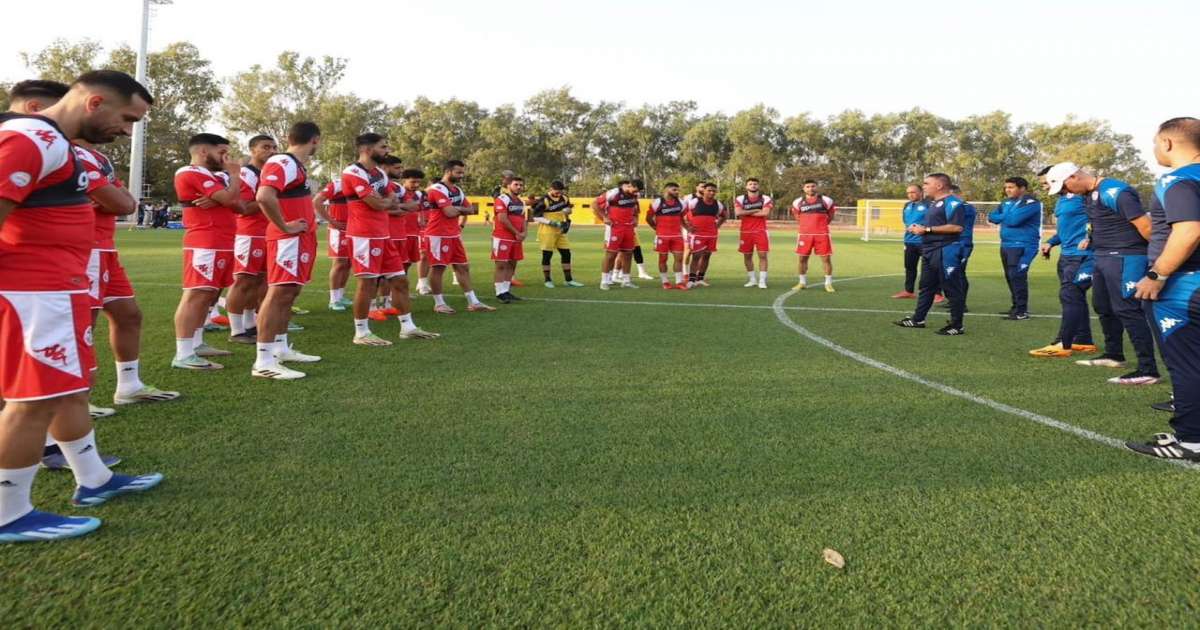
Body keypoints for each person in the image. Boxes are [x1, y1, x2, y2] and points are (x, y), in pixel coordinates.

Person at [0, 70, 164, 544]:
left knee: (68, 389)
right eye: (127, 118)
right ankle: (9, 512)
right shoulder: (30, 138)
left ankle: (93, 479)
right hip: (34, 293)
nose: (127, 131)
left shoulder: (55, 143)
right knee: (32, 401)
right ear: (94, 103)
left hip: (59, 288)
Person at [1045, 162, 1160, 385]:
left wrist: (1159, 265)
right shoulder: (1090, 196)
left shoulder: (1114, 191)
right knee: (1103, 306)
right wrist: (1091, 239)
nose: (1066, 193)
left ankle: (1148, 369)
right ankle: (1114, 354)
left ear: (1073, 177)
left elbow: (1146, 227)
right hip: (1102, 256)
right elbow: (1104, 222)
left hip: (1127, 257)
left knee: (1128, 310)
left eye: (1064, 188)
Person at [1127, 117, 1200, 459]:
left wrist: (1157, 275)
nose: (1154, 149)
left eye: (1155, 143)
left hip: (1184, 287)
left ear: (1168, 143)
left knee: (1186, 364)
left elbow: (1188, 232)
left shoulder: (1178, 180)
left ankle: (1191, 440)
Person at [251, 121, 324, 380]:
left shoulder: (295, 165)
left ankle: (280, 348)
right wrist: (284, 226)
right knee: (280, 292)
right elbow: (264, 196)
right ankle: (263, 361)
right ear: (315, 140)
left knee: (290, 292)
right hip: (287, 240)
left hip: (299, 239)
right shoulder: (283, 162)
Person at [171, 133, 242, 370]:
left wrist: (224, 196)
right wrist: (233, 179)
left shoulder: (216, 177)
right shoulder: (189, 172)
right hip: (205, 242)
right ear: (203, 151)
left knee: (210, 295)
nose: (226, 158)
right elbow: (232, 199)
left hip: (223, 241)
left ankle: (197, 343)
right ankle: (182, 354)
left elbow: (238, 203)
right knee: (197, 294)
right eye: (222, 152)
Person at [342, 133, 405, 346]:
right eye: (383, 147)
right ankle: (361, 332)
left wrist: (383, 201)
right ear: (367, 149)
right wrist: (383, 202)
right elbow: (377, 204)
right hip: (363, 236)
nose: (387, 150)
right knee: (367, 284)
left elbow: (393, 199)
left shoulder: (379, 173)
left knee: (400, 279)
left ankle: (408, 327)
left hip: (383, 234)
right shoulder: (353, 172)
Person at [1030, 167, 1098, 358]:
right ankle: (1083, 340)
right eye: (1043, 183)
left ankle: (1063, 342)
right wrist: (1051, 243)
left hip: (1082, 255)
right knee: (1075, 297)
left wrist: (1091, 239)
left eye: (1047, 182)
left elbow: (1100, 221)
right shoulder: (1062, 200)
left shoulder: (1084, 197)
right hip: (1066, 255)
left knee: (1070, 296)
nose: (1045, 187)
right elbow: (1065, 230)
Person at [894, 173, 967, 335]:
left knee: (951, 288)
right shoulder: (935, 203)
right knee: (926, 287)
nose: (924, 186)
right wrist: (919, 228)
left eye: (927, 183)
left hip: (945, 250)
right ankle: (918, 319)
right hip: (930, 249)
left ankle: (957, 325)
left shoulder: (954, 203)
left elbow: (957, 227)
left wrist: (927, 229)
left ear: (939, 185)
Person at [425, 160, 495, 314]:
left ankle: (473, 302)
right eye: (458, 172)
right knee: (438, 268)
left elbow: (471, 210)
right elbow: (449, 213)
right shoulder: (436, 189)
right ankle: (439, 303)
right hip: (437, 235)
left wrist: (455, 208)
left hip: (453, 234)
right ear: (448, 171)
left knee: (462, 267)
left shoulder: (457, 190)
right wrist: (458, 209)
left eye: (462, 172)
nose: (461, 175)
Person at [226, 135, 275, 344]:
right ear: (253, 150)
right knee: (244, 280)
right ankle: (236, 330)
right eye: (265, 147)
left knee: (261, 280)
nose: (271, 151)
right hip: (249, 232)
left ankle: (250, 323)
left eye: (274, 147)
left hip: (267, 231)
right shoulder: (247, 173)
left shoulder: (268, 173)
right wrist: (269, 197)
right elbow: (244, 207)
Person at [381, 164, 438, 339]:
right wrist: (404, 209)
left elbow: (418, 209)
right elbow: (389, 208)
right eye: (412, 182)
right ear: (405, 180)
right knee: (384, 270)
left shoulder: (419, 195)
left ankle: (394, 295)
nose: (415, 185)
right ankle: (382, 301)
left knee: (404, 266)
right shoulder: (393, 189)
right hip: (394, 233)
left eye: (418, 182)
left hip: (411, 234)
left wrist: (419, 218)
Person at [988, 177, 1043, 319]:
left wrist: (1003, 216)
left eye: (1011, 187)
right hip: (1006, 244)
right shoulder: (1006, 202)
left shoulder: (1031, 202)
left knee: (1017, 276)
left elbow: (1014, 221)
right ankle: (1016, 306)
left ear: (1022, 188)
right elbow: (991, 217)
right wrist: (1006, 215)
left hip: (1023, 245)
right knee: (1010, 276)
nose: (1007, 190)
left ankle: (1022, 311)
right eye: (1006, 187)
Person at [530, 181, 582, 288]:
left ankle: (568, 280)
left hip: (560, 229)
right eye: (556, 192)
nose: (558, 194)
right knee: (547, 255)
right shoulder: (544, 200)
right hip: (547, 230)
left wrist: (568, 220)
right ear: (551, 189)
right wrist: (553, 223)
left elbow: (567, 211)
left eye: (560, 192)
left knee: (566, 253)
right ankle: (547, 280)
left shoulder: (565, 198)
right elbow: (535, 217)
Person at [313, 174, 352, 311]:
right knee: (339, 262)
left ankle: (341, 296)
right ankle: (333, 300)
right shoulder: (337, 184)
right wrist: (332, 221)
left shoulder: (364, 184)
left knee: (348, 263)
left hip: (354, 229)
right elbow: (317, 201)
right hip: (338, 230)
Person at [791, 180, 837, 292]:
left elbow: (830, 216)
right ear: (803, 188)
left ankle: (828, 283)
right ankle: (802, 282)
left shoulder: (826, 200)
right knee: (802, 259)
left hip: (822, 234)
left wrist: (820, 226)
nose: (810, 188)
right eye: (808, 186)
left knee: (826, 259)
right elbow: (797, 217)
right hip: (804, 235)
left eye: (813, 186)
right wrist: (806, 226)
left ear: (817, 187)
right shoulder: (797, 202)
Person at [597, 179, 643, 290]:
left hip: (629, 227)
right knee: (611, 254)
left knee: (628, 254)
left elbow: (635, 209)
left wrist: (636, 218)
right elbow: (595, 204)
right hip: (614, 227)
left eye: (638, 191)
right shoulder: (614, 193)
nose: (636, 193)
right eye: (634, 190)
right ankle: (604, 281)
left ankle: (626, 281)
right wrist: (605, 217)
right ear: (630, 185)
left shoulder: (635, 196)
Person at [491, 175, 528, 303]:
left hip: (516, 238)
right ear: (508, 186)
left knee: (512, 264)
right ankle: (499, 292)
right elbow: (502, 218)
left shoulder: (521, 201)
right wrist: (517, 232)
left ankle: (506, 291)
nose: (519, 187)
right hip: (502, 237)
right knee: (501, 264)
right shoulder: (502, 199)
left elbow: (523, 218)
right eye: (516, 184)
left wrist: (524, 233)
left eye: (521, 185)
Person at [684, 182, 726, 287]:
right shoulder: (694, 202)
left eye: (713, 191)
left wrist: (718, 225)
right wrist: (687, 226)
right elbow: (682, 213)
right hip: (697, 234)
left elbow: (724, 215)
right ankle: (691, 280)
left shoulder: (718, 204)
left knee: (707, 256)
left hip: (712, 234)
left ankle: (700, 279)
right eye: (709, 190)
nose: (711, 192)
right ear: (704, 191)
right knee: (696, 256)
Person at [646, 182, 687, 289]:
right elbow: (648, 218)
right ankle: (665, 281)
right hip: (662, 236)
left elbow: (681, 217)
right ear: (666, 190)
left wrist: (687, 227)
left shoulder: (682, 203)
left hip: (677, 236)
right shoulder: (657, 202)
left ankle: (679, 282)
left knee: (679, 259)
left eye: (678, 190)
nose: (677, 192)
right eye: (674, 190)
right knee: (663, 259)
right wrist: (655, 227)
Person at [734, 178, 773, 289]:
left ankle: (762, 281)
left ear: (758, 186)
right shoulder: (740, 198)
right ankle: (752, 280)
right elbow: (738, 212)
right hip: (745, 232)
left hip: (761, 231)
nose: (753, 186)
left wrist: (745, 213)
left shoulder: (765, 198)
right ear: (746, 187)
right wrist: (755, 210)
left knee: (762, 256)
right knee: (747, 256)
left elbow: (765, 213)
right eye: (750, 184)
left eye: (755, 184)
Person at [893, 185, 927, 298]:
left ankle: (935, 293)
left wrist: (923, 227)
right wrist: (909, 227)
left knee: (929, 268)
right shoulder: (907, 205)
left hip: (925, 241)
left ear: (921, 192)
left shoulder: (929, 204)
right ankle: (909, 291)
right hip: (909, 241)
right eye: (908, 193)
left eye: (913, 192)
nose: (910, 195)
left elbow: (936, 220)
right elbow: (905, 221)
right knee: (909, 267)